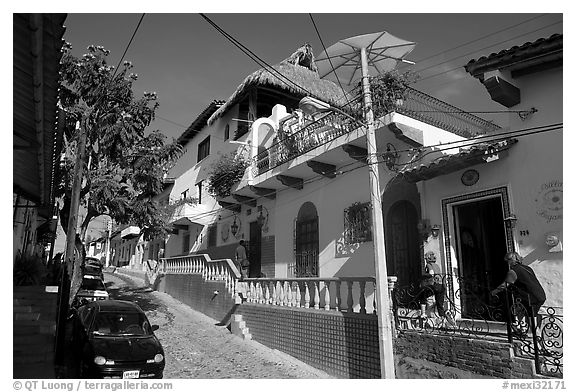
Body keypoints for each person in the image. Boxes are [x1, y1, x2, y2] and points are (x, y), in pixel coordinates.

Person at [491, 251, 546, 330]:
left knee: (531, 316)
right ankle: (522, 329)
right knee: (522, 311)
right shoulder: (527, 268)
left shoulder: (513, 271)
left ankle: (535, 336)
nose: (508, 263)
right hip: (540, 294)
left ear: (512, 260)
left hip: (530, 298)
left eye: (508, 260)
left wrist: (494, 292)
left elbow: (505, 285)